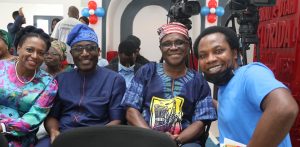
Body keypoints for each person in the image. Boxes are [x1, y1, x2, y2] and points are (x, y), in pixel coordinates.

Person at [194, 26, 299, 147]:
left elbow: (284, 107)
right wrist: (210, 102)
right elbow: (235, 109)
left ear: (234, 53)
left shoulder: (250, 73)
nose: (210, 59)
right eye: (203, 56)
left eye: (218, 51)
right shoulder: (225, 85)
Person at [122, 22, 217, 147]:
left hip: (184, 141)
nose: (173, 47)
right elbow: (131, 110)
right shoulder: (147, 71)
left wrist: (176, 140)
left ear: (188, 45)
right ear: (161, 48)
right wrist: (153, 137)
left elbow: (201, 121)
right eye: (167, 44)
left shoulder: (198, 81)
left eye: (179, 42)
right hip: (146, 138)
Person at [36, 24, 126, 147]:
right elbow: (52, 117)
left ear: (98, 52)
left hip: (99, 138)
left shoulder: (115, 80)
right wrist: (54, 131)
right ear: (71, 54)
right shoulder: (61, 79)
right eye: (78, 49)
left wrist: (95, 140)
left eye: (90, 48)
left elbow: (117, 120)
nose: (84, 53)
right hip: (63, 136)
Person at [0, 25, 58, 146]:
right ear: (19, 48)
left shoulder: (48, 83)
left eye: (41, 53)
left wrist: (2, 127)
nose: (35, 56)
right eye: (30, 50)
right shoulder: (1, 67)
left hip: (19, 138)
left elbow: (33, 118)